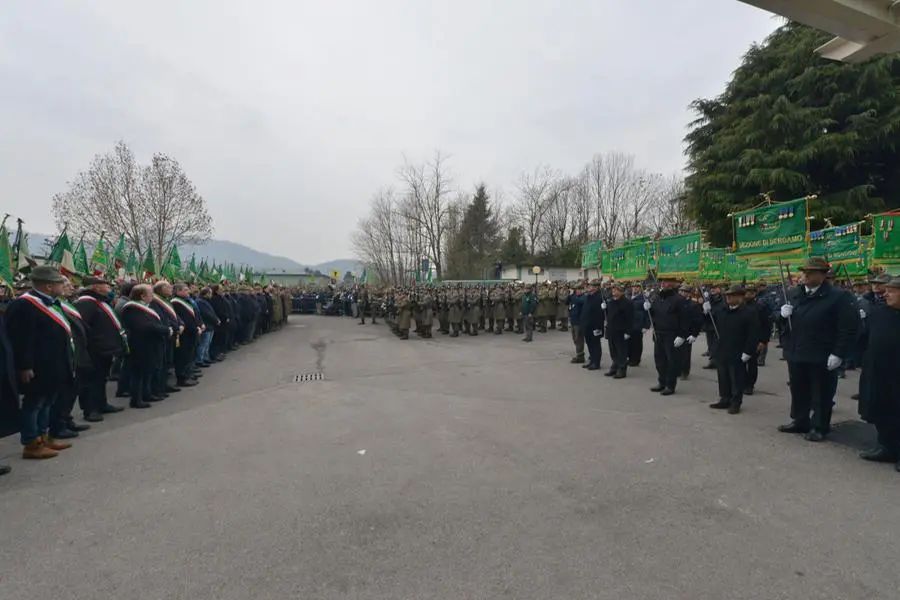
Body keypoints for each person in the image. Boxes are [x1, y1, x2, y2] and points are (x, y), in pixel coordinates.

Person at [778, 257, 858, 441]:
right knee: (798, 389)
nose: (805, 275)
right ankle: (800, 420)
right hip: (797, 351)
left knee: (821, 393)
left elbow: (847, 328)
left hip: (822, 352)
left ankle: (820, 426)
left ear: (823, 275)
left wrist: (839, 353)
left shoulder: (838, 297)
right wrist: (782, 316)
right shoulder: (794, 293)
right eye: (804, 271)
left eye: (811, 272)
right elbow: (783, 323)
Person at [4, 266, 75, 459]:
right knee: (34, 404)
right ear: (49, 286)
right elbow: (21, 339)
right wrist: (25, 366)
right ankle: (31, 443)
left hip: (53, 363)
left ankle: (44, 436)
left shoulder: (51, 303)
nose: (64, 286)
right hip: (37, 366)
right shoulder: (24, 305)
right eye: (60, 283)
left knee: (48, 402)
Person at [857, 277, 900, 471]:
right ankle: (886, 446)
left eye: (892, 291)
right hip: (879, 370)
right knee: (882, 409)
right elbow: (864, 337)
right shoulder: (879, 313)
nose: (886, 294)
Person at [75, 275, 126, 419]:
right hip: (94, 349)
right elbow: (82, 327)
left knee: (101, 378)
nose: (109, 287)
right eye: (105, 285)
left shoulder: (100, 301)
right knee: (91, 380)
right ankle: (90, 409)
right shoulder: (86, 303)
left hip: (105, 348)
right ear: (95, 287)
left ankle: (102, 404)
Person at [709, 285, 759, 414]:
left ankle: (736, 402)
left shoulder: (749, 312)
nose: (728, 297)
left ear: (740, 297)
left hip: (738, 350)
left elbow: (753, 334)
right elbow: (710, 324)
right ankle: (725, 398)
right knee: (723, 376)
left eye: (732, 295)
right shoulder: (721, 310)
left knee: (736, 378)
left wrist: (749, 351)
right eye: (727, 295)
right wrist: (705, 312)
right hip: (722, 348)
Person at [121, 284, 172, 409]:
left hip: (150, 344)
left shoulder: (145, 307)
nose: (152, 296)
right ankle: (136, 399)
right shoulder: (132, 308)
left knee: (147, 371)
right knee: (139, 373)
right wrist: (165, 330)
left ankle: (146, 394)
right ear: (142, 296)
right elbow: (144, 326)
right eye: (150, 294)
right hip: (140, 345)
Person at [648, 277, 691, 395]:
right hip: (659, 333)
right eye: (662, 282)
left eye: (666, 282)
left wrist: (682, 335)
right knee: (659, 360)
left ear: (673, 283)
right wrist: (649, 308)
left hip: (672, 334)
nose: (663, 284)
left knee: (671, 361)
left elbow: (685, 319)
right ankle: (661, 382)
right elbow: (654, 314)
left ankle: (670, 385)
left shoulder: (679, 299)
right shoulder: (658, 297)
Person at [604, 282, 634, 379]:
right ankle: (615, 366)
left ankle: (622, 369)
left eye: (616, 289)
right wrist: (605, 308)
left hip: (621, 330)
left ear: (621, 291)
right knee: (613, 350)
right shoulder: (611, 301)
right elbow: (609, 315)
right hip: (611, 329)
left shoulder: (626, 303)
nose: (613, 291)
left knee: (621, 351)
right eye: (613, 289)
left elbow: (630, 318)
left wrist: (628, 332)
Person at [581, 280, 604, 368]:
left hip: (595, 325)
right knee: (589, 344)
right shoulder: (588, 296)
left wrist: (598, 327)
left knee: (595, 344)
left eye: (590, 286)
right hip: (587, 325)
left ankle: (596, 362)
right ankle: (592, 360)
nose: (588, 287)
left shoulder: (599, 297)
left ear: (596, 287)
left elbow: (599, 314)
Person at [627, 283, 649, 366]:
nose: (634, 288)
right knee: (629, 342)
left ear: (640, 288)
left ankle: (636, 359)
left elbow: (647, 313)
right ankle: (630, 358)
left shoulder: (644, 298)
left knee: (637, 343)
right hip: (630, 323)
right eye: (633, 287)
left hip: (638, 324)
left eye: (636, 287)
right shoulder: (629, 297)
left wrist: (646, 326)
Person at [568, 282, 586, 364]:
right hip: (573, 320)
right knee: (575, 339)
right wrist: (570, 295)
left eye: (578, 290)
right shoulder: (573, 297)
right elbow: (566, 301)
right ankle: (579, 354)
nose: (577, 291)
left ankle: (580, 356)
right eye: (575, 290)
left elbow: (579, 302)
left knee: (579, 339)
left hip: (579, 322)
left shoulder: (583, 297)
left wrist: (573, 296)